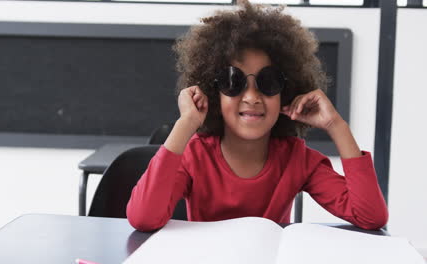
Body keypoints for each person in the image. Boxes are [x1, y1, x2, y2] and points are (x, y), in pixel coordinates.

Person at [127, 0, 388, 232]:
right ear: (213, 91)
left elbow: (370, 216)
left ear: (286, 92)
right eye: (233, 81)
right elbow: (143, 217)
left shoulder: (297, 159)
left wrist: (336, 125)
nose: (252, 97)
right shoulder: (195, 157)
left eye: (268, 81)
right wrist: (186, 123)